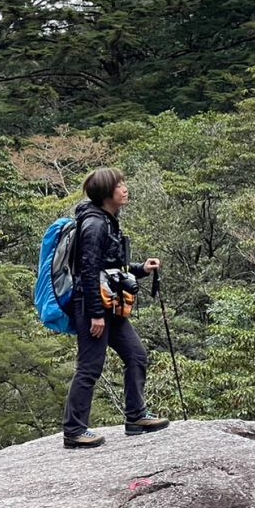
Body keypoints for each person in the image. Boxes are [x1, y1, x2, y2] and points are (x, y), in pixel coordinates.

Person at [63, 167, 170, 448]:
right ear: (106, 193)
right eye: (119, 185)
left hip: (110, 304)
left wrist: (141, 269)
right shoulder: (95, 225)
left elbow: (111, 267)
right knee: (90, 367)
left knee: (136, 355)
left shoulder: (108, 220)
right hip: (92, 306)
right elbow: (87, 271)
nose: (125, 189)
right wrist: (96, 314)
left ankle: (136, 417)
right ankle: (74, 431)